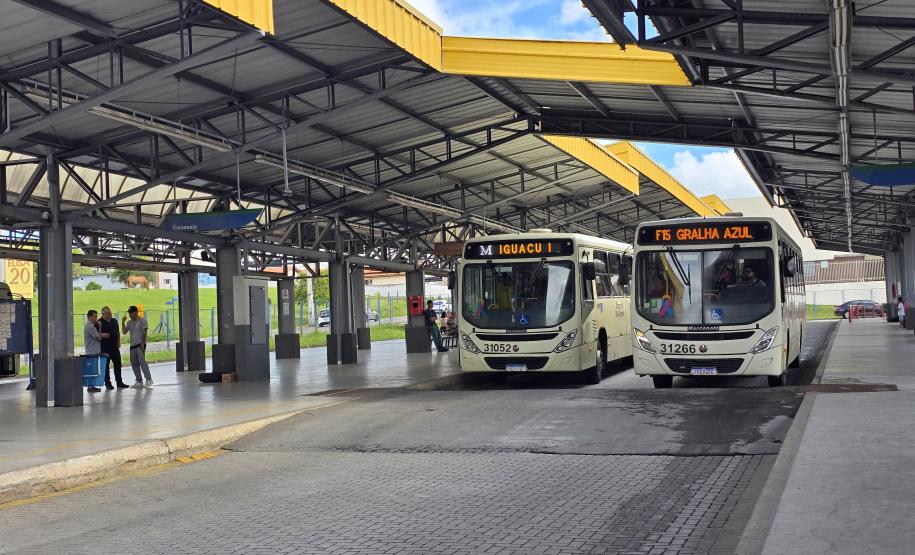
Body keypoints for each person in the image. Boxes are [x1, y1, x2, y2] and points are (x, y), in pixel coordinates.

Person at [99, 306, 128, 390]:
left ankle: (119, 382)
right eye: (107, 313)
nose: (109, 315)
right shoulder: (99, 322)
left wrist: (118, 341)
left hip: (114, 347)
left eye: (110, 313)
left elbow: (117, 332)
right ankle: (107, 383)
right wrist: (103, 335)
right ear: (103, 314)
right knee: (106, 366)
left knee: (118, 364)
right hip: (105, 347)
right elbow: (96, 334)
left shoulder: (114, 321)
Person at [122, 305, 152, 387]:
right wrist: (122, 322)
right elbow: (124, 332)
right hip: (132, 345)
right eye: (129, 313)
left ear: (136, 312)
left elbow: (144, 332)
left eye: (131, 313)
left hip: (140, 344)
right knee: (134, 363)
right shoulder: (129, 322)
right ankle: (139, 381)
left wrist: (142, 343)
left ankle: (149, 379)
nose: (130, 315)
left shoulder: (142, 321)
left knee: (142, 362)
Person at [83, 310, 103, 393]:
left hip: (93, 350)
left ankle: (92, 386)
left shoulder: (90, 326)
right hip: (92, 351)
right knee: (92, 369)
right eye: (95, 316)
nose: (96, 318)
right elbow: (99, 338)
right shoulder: (90, 327)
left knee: (93, 369)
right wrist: (100, 327)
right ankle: (90, 387)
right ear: (90, 317)